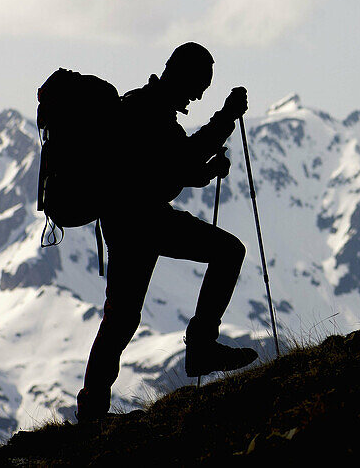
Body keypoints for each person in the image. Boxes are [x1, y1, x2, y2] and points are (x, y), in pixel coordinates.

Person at [76, 42, 258, 422]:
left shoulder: (144, 108)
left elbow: (170, 167)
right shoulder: (148, 111)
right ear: (182, 75)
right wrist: (225, 117)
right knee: (228, 252)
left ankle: (92, 410)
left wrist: (206, 171)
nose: (199, 94)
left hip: (129, 223)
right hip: (145, 222)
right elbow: (183, 159)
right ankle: (202, 347)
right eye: (199, 86)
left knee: (121, 318)